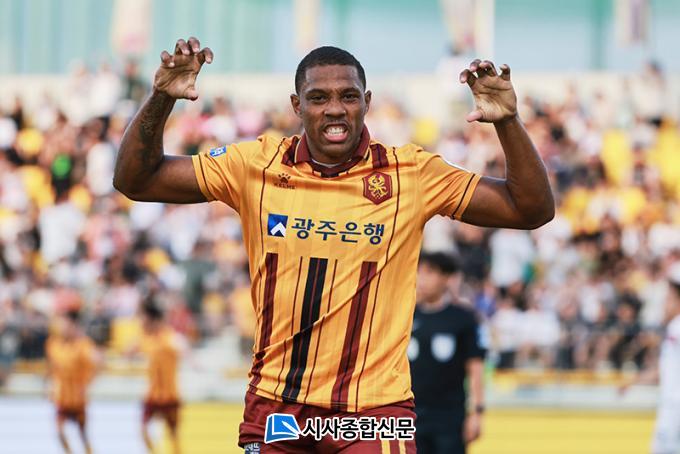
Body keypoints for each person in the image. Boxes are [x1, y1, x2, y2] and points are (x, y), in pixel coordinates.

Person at [113, 37, 553, 453]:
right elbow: (136, 180)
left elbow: (530, 209)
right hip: (277, 406)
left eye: (348, 96)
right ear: (297, 105)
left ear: (367, 102)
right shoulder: (254, 165)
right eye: (319, 98)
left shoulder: (411, 174)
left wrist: (508, 122)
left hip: (374, 410)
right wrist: (161, 98)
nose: (335, 109)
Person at [408, 252, 485, 454]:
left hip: (450, 416)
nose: (422, 279)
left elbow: (475, 367)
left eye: (430, 272)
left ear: (446, 277)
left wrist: (477, 412)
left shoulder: (463, 318)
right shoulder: (404, 316)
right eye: (419, 272)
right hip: (409, 415)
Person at [620, 264, 680, 454]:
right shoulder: (673, 328)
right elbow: (663, 371)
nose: (665, 305)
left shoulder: (677, 326)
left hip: (674, 409)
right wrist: (634, 381)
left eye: (668, 299)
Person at [130, 300, 185, 454]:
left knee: (173, 436)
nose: (141, 322)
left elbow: (182, 347)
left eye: (143, 317)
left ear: (151, 319)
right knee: (143, 429)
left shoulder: (169, 337)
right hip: (152, 394)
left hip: (170, 395)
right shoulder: (145, 338)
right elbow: (129, 350)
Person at [45, 310, 100, 454]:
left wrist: (87, 383)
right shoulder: (54, 344)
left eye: (67, 325)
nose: (63, 328)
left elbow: (97, 362)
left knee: (83, 435)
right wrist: (49, 386)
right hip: (62, 398)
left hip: (78, 399)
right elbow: (51, 368)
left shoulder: (83, 344)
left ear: (74, 326)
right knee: (59, 431)